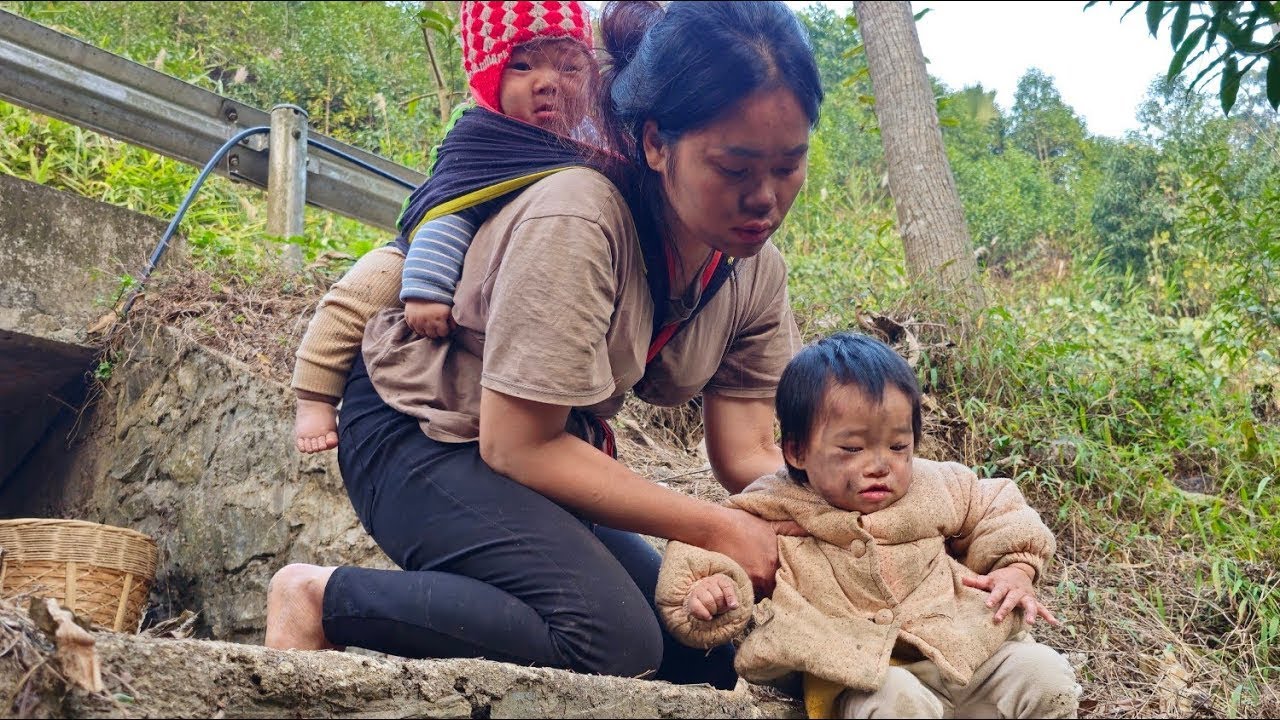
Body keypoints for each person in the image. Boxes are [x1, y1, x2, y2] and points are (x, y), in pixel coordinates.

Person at [266, 0, 824, 689]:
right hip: (417, 431)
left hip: (525, 449)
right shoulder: (579, 215)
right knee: (609, 637)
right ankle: (319, 598)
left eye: (788, 166)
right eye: (735, 169)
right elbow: (518, 442)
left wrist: (848, 528)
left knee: (697, 649)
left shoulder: (753, 271)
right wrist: (716, 529)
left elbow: (749, 454)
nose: (765, 199)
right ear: (655, 142)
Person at [655, 332, 1081, 718]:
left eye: (898, 446)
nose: (879, 465)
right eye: (852, 448)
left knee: (1044, 674)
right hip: (852, 671)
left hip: (961, 649)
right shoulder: (774, 501)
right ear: (798, 451)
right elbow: (705, 545)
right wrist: (705, 589)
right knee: (897, 703)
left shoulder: (935, 485)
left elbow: (1000, 507)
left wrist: (1016, 568)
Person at [292, 0, 597, 454]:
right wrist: (427, 285)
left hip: (514, 265)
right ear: (489, 76)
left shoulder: (593, 147)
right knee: (362, 290)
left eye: (571, 68)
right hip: (435, 245)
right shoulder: (482, 133)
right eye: (522, 65)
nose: (548, 83)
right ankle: (314, 396)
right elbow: (451, 206)